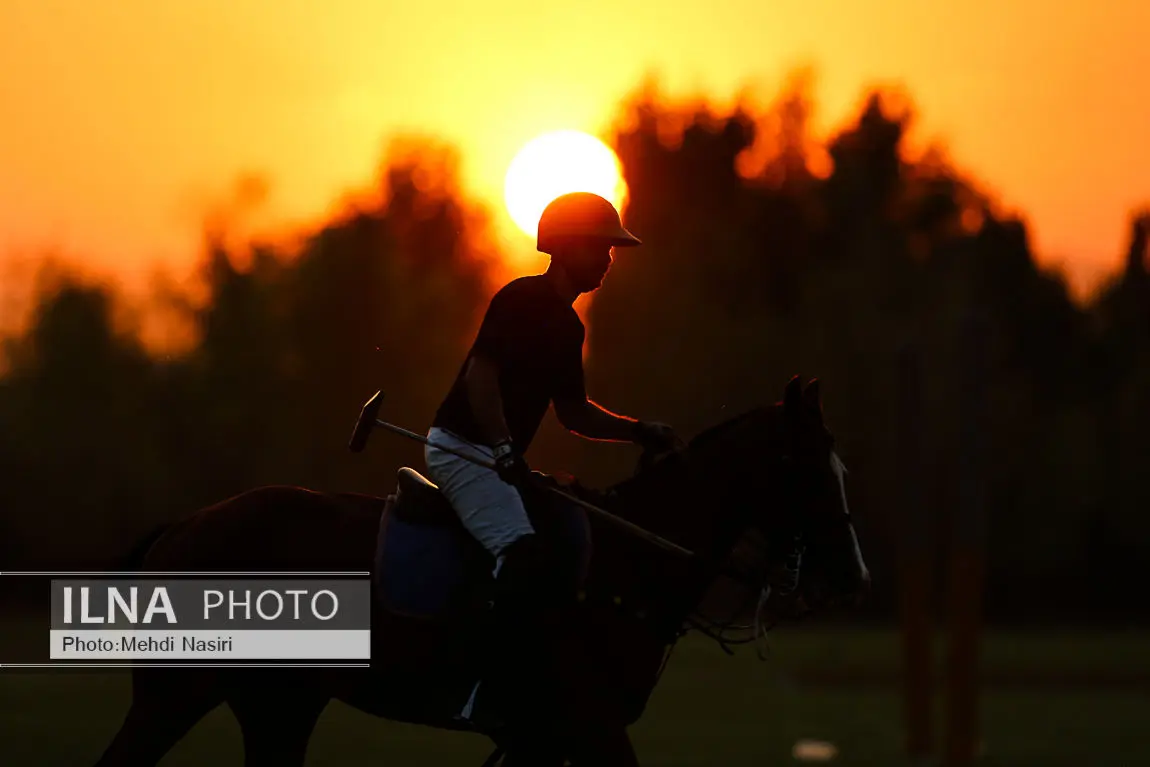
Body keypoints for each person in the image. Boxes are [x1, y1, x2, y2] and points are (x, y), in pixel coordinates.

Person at [424, 191, 682, 727]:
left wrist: (638, 432)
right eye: (599, 248)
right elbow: (481, 377)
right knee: (520, 552)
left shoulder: (569, 327)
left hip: (495, 457)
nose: (609, 260)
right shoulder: (520, 299)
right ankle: (476, 690)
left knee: (567, 531)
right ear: (565, 248)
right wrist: (500, 447)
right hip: (461, 449)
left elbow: (574, 414)